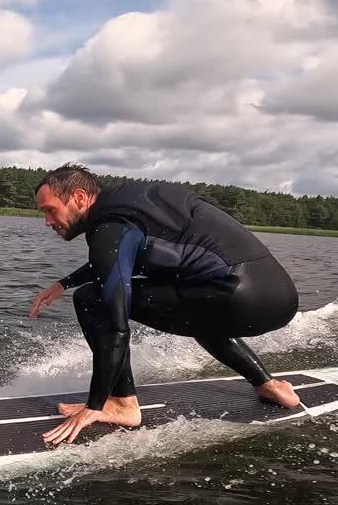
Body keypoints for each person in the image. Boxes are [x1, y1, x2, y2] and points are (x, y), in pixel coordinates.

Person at [27, 164, 301, 445]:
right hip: (278, 297)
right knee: (198, 306)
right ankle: (270, 386)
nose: (48, 221)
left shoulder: (110, 226)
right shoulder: (134, 203)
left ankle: (122, 404)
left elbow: (115, 327)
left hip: (235, 297)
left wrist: (94, 405)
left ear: (79, 198)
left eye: (50, 210)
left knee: (91, 299)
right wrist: (64, 283)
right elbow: (117, 260)